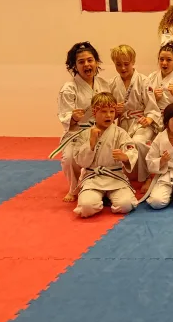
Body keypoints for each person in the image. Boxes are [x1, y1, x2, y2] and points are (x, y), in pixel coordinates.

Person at [55, 42, 111, 202]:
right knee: (69, 158)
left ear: (96, 63)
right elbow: (64, 116)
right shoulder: (69, 88)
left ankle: (105, 184)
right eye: (81, 62)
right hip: (78, 132)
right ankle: (74, 187)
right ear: (74, 66)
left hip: (101, 130)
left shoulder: (104, 84)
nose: (86, 64)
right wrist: (73, 117)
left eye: (90, 60)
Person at [72, 93, 138, 218]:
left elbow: (131, 151)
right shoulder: (85, 134)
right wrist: (91, 144)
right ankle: (100, 198)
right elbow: (81, 162)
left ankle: (106, 197)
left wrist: (125, 157)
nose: (108, 115)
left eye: (112, 111)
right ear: (94, 112)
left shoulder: (120, 133)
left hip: (115, 177)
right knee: (86, 207)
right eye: (103, 111)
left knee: (126, 205)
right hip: (93, 178)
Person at [109, 44, 159, 191]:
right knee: (113, 144)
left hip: (141, 123)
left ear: (133, 62)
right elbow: (107, 112)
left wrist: (149, 119)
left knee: (138, 142)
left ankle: (148, 177)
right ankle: (119, 176)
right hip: (123, 123)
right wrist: (115, 112)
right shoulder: (112, 83)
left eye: (126, 64)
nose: (123, 68)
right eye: (118, 65)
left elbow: (152, 107)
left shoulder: (144, 81)